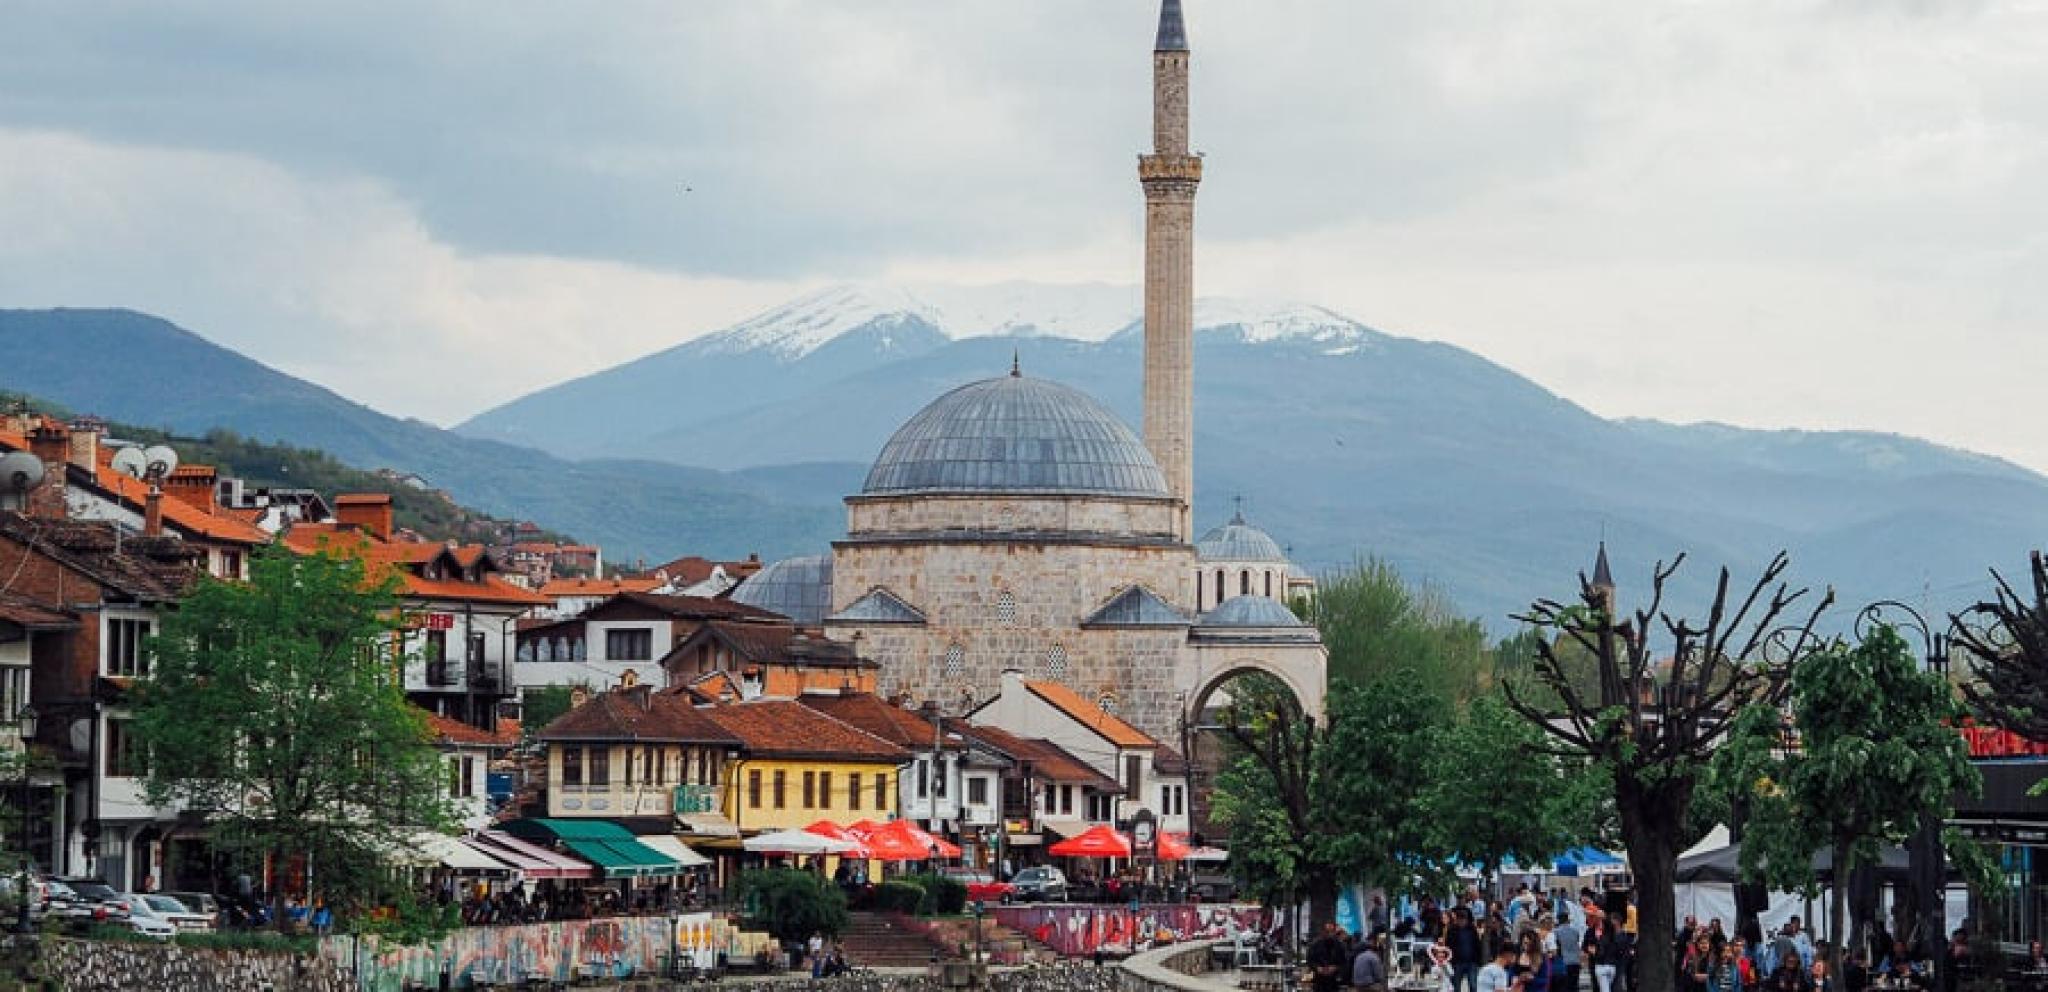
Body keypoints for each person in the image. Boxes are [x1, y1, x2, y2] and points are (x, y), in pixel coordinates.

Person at [1585, 911, 1625, 992]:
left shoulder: (1611, 932)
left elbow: (1619, 947)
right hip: (1597, 964)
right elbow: (1585, 945)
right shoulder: (1590, 931)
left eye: (1601, 918)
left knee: (1607, 988)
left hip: (1610, 964)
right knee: (1600, 987)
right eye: (1597, 918)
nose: (1599, 920)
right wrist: (1589, 949)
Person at [1449, 909, 1485, 992]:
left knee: (1473, 985)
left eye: (1463, 919)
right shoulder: (1452, 930)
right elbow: (1449, 945)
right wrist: (1451, 960)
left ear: (1466, 920)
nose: (1461, 921)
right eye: (1459, 919)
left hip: (1471, 961)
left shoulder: (1472, 930)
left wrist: (1478, 960)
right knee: (1456, 985)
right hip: (1457, 962)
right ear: (1456, 920)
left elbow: (1477, 945)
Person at [1308, 922, 1351, 992]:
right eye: (1327, 931)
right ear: (1323, 932)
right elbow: (1310, 961)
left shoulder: (1340, 946)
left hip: (1334, 981)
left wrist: (1336, 968)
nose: (1329, 934)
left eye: (1332, 931)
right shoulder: (1315, 945)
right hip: (1319, 981)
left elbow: (1345, 963)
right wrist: (1317, 968)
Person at [1552, 909, 1582, 992]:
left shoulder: (1556, 932)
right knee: (1574, 986)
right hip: (1575, 961)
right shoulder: (1575, 931)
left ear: (1559, 920)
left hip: (1564, 961)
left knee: (1565, 987)